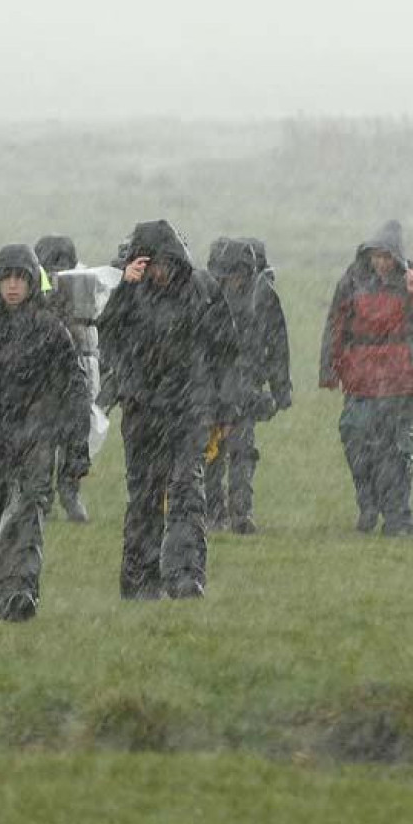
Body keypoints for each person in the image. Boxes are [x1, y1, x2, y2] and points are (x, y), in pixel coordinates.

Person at [0, 244, 89, 621]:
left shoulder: (51, 333)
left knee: (29, 507)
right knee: (2, 510)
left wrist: (76, 451)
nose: (12, 286)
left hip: (40, 437)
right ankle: (3, 586)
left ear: (31, 283)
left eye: (19, 279)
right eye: (5, 278)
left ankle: (20, 590)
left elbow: (74, 392)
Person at [97, 220, 239, 600]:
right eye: (151, 263)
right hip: (143, 410)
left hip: (188, 408)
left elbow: (224, 352)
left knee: (186, 489)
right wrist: (125, 290)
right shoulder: (129, 294)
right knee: (144, 495)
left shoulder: (203, 291)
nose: (159, 272)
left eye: (164, 263)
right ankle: (141, 579)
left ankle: (185, 574)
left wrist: (224, 408)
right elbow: (107, 336)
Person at [319, 220, 413, 536]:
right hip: (361, 379)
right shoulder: (352, 279)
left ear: (397, 257)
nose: (381, 263)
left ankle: (398, 518)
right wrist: (329, 369)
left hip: (401, 380)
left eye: (386, 257)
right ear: (368, 255)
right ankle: (368, 504)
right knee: (355, 439)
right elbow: (335, 324)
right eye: (376, 256)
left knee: (397, 449)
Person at [203, 237, 294, 534]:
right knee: (212, 452)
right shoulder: (207, 295)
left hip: (244, 387)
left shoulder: (264, 297)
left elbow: (278, 344)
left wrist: (281, 388)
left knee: (242, 450)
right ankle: (214, 512)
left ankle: (241, 513)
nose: (234, 282)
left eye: (238, 276)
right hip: (214, 385)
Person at [35, 234, 100, 523]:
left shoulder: (84, 290)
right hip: (41, 377)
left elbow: (91, 332)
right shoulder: (32, 292)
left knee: (75, 439)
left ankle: (69, 492)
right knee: (42, 442)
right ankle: (44, 497)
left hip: (76, 373)